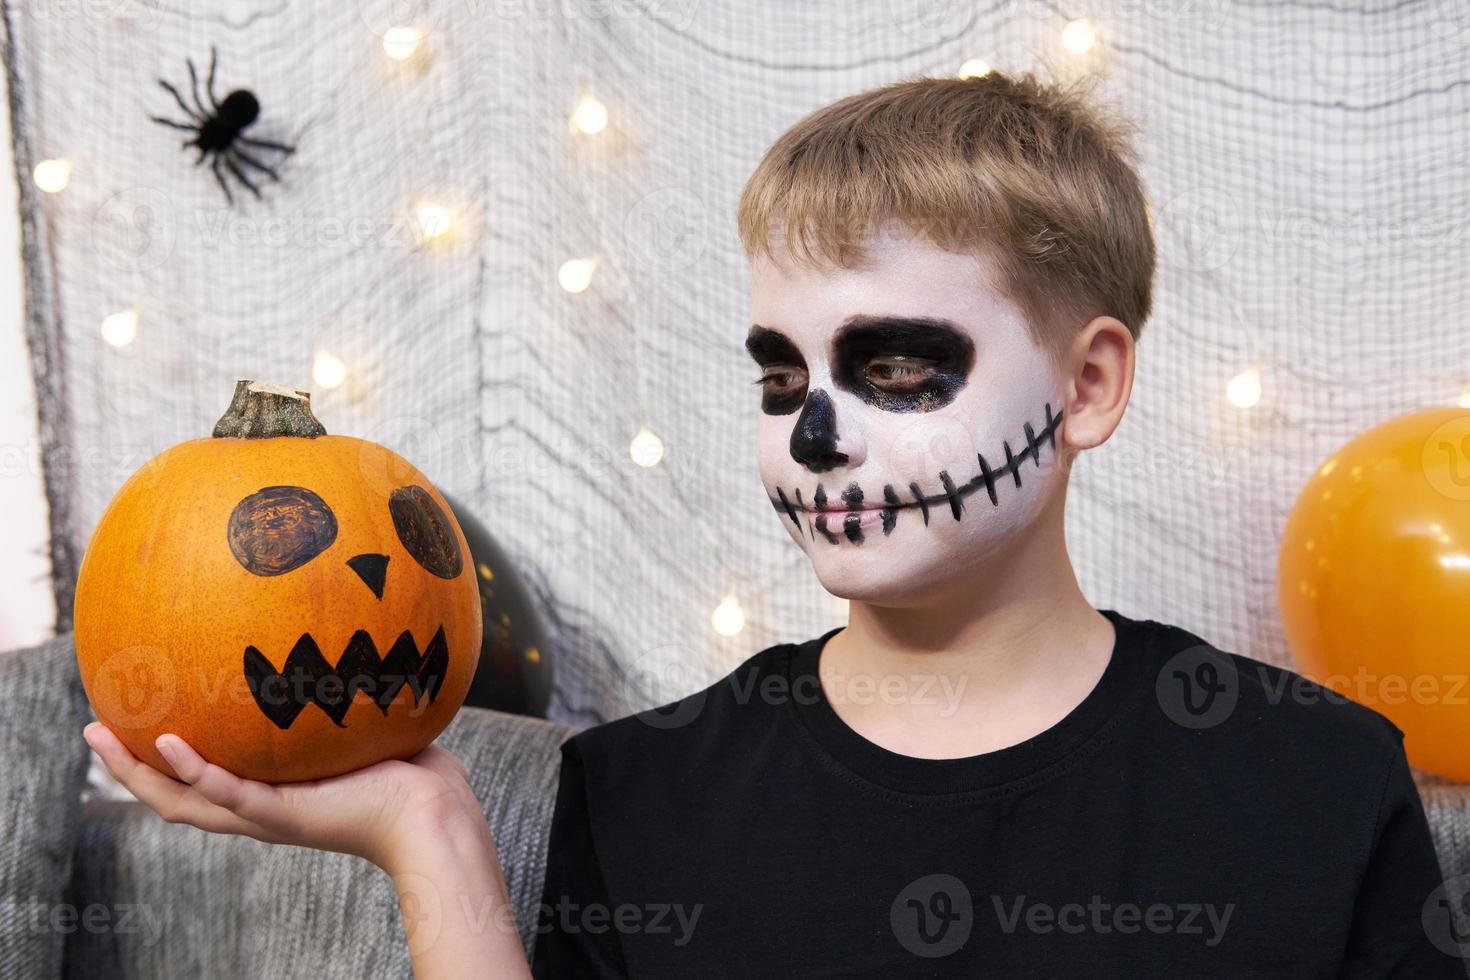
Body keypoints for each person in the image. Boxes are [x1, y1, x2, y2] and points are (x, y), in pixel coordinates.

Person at [83, 71, 1463, 978]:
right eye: (779, 375)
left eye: (898, 369)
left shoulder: (1310, 780)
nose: (815, 435)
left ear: (1086, 384)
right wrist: (428, 835)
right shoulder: (644, 797)